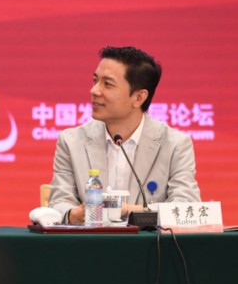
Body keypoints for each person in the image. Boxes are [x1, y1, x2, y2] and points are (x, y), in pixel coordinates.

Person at [49, 46, 201, 224]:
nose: (94, 91)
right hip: (90, 247)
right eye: (95, 80)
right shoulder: (71, 141)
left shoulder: (175, 144)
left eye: (108, 84)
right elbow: (58, 203)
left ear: (138, 98)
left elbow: (187, 206)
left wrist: (127, 211)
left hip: (150, 249)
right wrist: (74, 214)